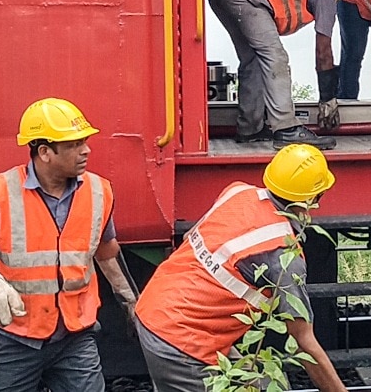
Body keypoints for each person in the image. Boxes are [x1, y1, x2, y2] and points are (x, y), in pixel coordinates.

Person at [0, 97, 138, 392]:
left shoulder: (99, 191)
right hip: (12, 341)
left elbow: (107, 254)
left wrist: (132, 303)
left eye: (85, 141)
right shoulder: (0, 192)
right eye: (73, 145)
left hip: (75, 339)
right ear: (44, 152)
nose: (86, 150)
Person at [133, 143, 348, 392]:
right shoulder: (282, 254)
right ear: (313, 199)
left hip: (157, 306)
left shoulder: (237, 192)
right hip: (180, 340)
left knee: (269, 386)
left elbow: (191, 239)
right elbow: (303, 341)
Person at [209, 0, 342, 150]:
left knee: (252, 59)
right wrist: (328, 99)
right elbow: (323, 52)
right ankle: (287, 128)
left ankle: (250, 128)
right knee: (275, 56)